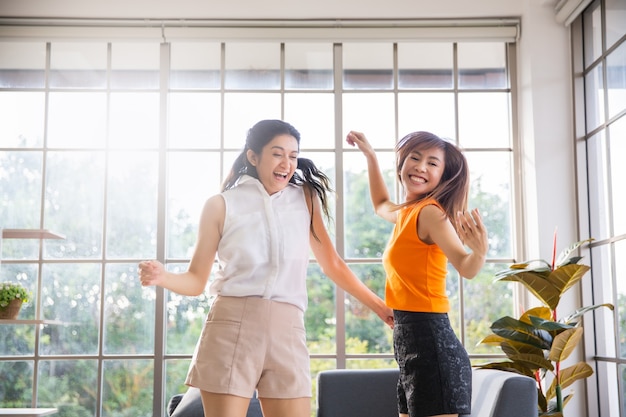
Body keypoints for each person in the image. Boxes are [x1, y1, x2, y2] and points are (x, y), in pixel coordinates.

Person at [139, 119, 394, 417]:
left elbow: (332, 264)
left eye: (293, 155)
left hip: (288, 329)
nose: (287, 163)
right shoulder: (221, 205)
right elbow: (196, 281)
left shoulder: (305, 199)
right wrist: (163, 277)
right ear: (253, 156)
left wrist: (379, 306)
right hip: (230, 327)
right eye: (277, 153)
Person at [346, 130, 488, 417]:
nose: (421, 167)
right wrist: (371, 156)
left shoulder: (430, 214)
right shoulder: (407, 212)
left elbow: (465, 267)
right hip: (409, 341)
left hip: (431, 343)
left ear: (443, 176)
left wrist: (479, 253)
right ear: (402, 164)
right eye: (415, 157)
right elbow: (380, 204)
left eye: (433, 163)